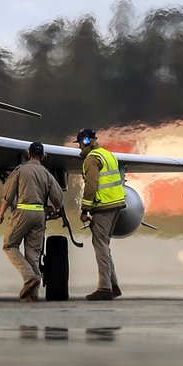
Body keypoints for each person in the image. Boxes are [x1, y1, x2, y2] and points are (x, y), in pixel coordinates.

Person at [0, 141, 65, 302]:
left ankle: (29, 277)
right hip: (39, 214)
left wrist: (1, 214)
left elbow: (8, 195)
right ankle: (32, 295)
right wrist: (56, 207)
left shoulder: (20, 170)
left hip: (23, 212)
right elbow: (58, 197)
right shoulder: (46, 174)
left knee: (9, 245)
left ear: (28, 154)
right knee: (33, 255)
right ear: (43, 156)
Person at [76, 128, 126, 300]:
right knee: (104, 244)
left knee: (100, 246)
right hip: (116, 204)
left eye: (80, 143)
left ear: (85, 141)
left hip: (104, 206)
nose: (79, 147)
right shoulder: (107, 154)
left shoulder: (92, 159)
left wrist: (85, 209)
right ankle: (113, 285)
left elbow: (91, 186)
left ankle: (104, 288)